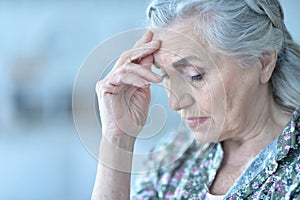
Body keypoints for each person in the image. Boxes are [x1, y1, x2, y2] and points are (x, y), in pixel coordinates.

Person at [92, 0, 300, 199]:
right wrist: (118, 138)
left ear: (263, 62)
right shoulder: (173, 155)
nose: (175, 103)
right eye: (165, 75)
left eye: (195, 75)